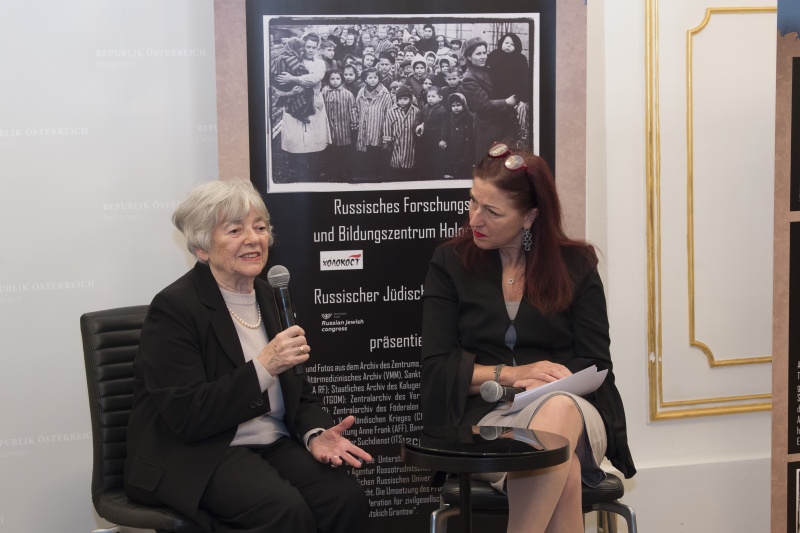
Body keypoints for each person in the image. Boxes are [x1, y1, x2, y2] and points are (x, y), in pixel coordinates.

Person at [124, 179, 373, 532]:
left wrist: (315, 433)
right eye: (235, 230)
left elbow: (300, 393)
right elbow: (187, 414)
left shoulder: (270, 297)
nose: (253, 239)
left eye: (259, 227)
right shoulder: (174, 308)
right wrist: (263, 366)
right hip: (201, 451)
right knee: (284, 512)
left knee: (345, 500)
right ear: (202, 248)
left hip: (271, 441)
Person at [421, 143, 635, 533]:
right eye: (473, 202)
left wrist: (546, 384)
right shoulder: (449, 263)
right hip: (487, 419)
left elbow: (596, 365)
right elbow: (436, 370)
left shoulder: (576, 265)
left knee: (559, 411)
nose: (475, 219)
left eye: (493, 211)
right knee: (561, 466)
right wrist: (510, 374)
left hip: (577, 413)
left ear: (530, 217)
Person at [274, 32, 331, 179]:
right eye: (307, 46)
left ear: (317, 48)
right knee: (294, 134)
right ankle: (294, 166)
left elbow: (314, 79)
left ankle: (314, 166)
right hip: (293, 100)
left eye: (313, 47)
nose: (310, 50)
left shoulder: (319, 63)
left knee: (314, 134)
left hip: (314, 100)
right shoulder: (294, 60)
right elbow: (280, 79)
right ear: (302, 46)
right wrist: (290, 89)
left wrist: (293, 78)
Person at [461, 37, 518, 162]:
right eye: (478, 54)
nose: (483, 56)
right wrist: (506, 102)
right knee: (489, 166)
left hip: (501, 125)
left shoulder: (487, 70)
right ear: (469, 57)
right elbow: (483, 105)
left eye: (484, 52)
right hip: (486, 129)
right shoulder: (469, 78)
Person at [382, 84, 420, 181]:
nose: (402, 101)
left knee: (409, 163)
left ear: (410, 99)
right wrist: (387, 140)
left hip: (410, 142)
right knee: (396, 162)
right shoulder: (392, 111)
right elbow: (387, 126)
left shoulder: (416, 111)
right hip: (396, 141)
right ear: (396, 99)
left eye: (405, 99)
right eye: (400, 99)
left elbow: (419, 126)